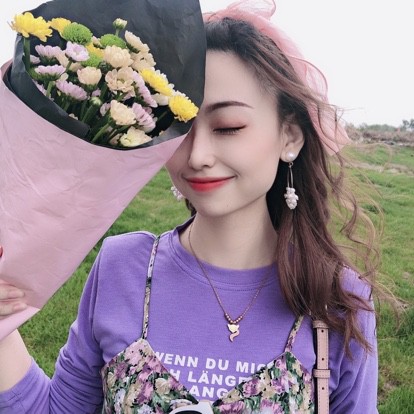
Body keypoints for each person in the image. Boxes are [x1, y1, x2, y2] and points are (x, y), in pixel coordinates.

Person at [0, 1, 379, 413]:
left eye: (228, 127)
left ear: (290, 136)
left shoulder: (337, 298)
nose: (197, 155)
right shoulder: (121, 266)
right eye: (180, 129)